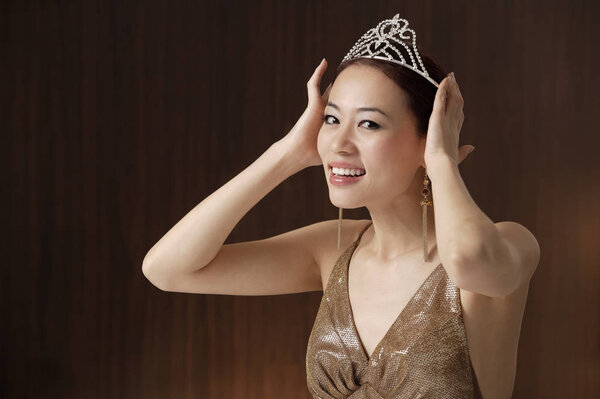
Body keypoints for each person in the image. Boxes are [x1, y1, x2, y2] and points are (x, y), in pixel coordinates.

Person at [142, 14, 540, 399]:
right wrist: (287, 154)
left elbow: (467, 259)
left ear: (430, 137)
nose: (339, 143)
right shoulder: (333, 252)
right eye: (331, 119)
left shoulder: (508, 243)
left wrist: (441, 161)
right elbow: (168, 269)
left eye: (369, 124)